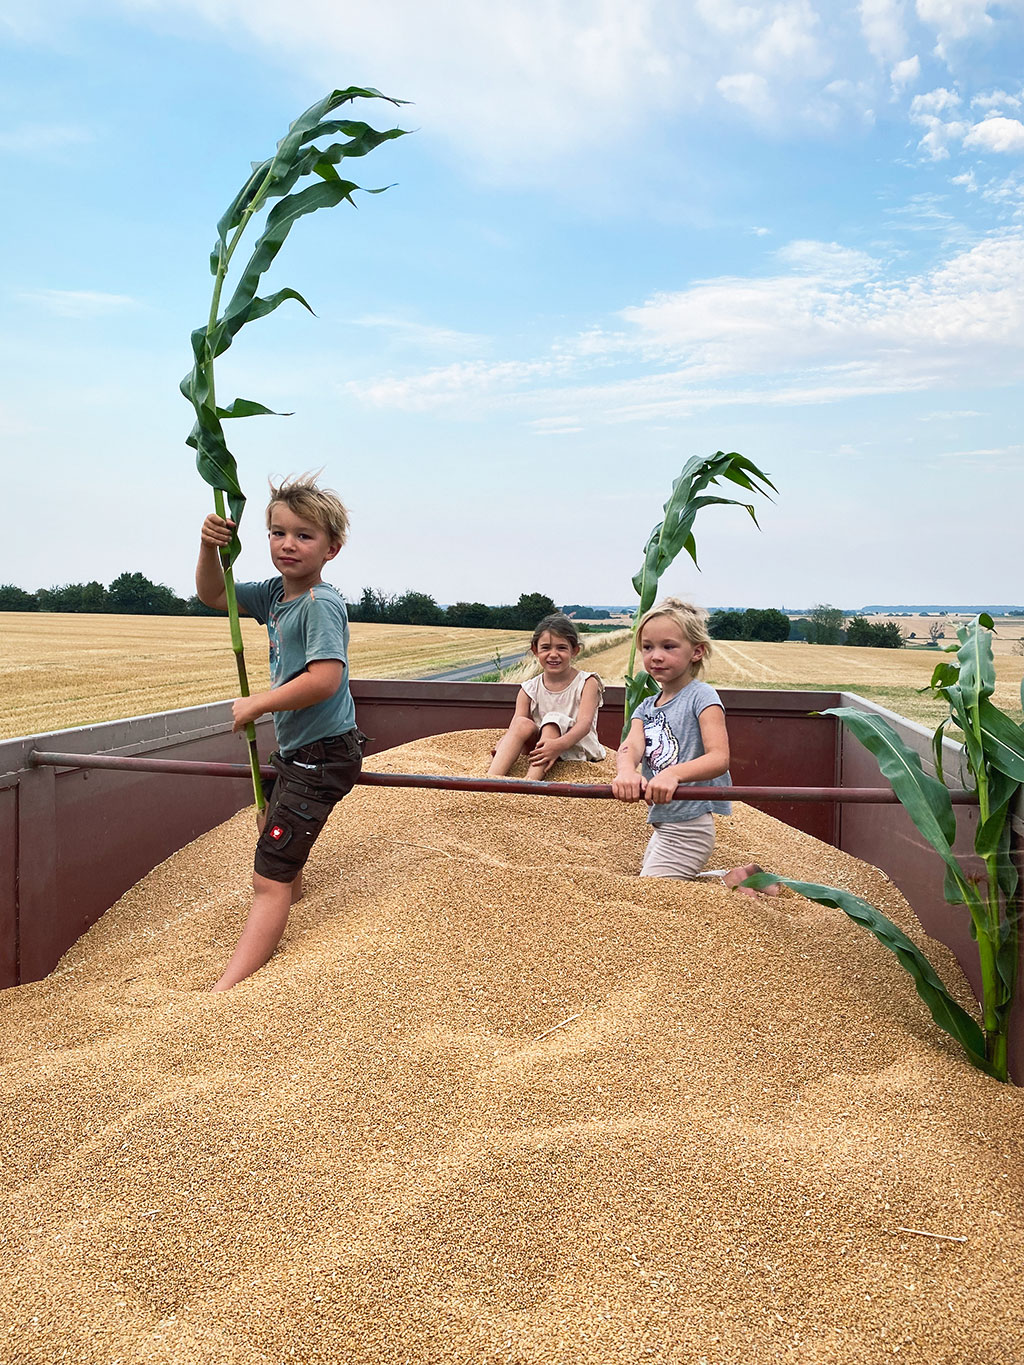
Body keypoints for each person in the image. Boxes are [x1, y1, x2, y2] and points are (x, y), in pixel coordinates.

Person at [196, 473, 364, 991]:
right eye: (277, 533)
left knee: (267, 880)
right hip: (299, 750)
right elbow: (213, 594)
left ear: (332, 549)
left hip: (323, 753)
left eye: (304, 535)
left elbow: (324, 678)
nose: (287, 544)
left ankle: (228, 991)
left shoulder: (320, 604)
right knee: (271, 828)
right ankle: (288, 896)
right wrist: (208, 546)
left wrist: (258, 704)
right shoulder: (274, 594)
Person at [612, 597, 732, 879]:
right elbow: (630, 746)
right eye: (647, 647)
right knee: (667, 887)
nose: (655, 656)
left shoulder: (701, 696)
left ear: (697, 651)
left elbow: (719, 757)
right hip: (663, 824)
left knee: (653, 894)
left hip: (689, 826)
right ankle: (733, 878)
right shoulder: (646, 706)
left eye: (668, 647)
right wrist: (626, 772)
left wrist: (673, 774)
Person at [486, 613, 605, 782]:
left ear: (575, 651)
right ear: (535, 651)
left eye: (561, 648)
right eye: (546, 648)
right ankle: (490, 780)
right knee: (522, 723)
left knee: (551, 721)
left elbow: (584, 725)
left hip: (577, 747)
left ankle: (530, 782)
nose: (553, 654)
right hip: (541, 749)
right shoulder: (529, 689)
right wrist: (504, 744)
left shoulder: (587, 683)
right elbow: (516, 725)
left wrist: (558, 745)